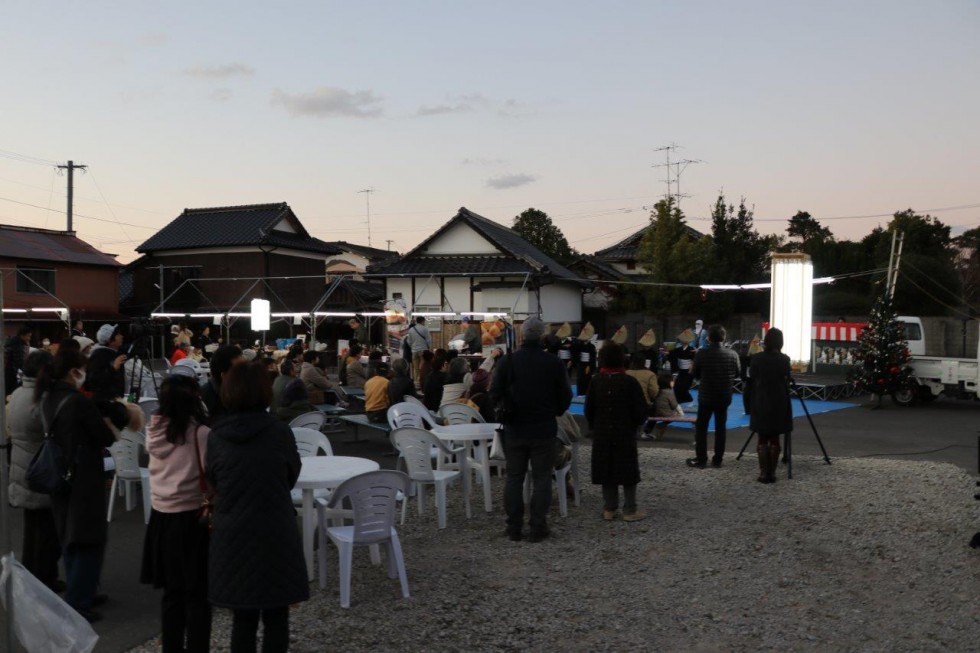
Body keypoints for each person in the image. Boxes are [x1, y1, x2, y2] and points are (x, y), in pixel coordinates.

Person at [206, 362, 308, 652]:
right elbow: (291, 475)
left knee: (243, 617)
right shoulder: (279, 432)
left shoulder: (216, 436)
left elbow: (213, 479)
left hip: (232, 533)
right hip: (275, 528)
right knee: (277, 615)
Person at [37, 349, 126, 622]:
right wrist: (110, 423)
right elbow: (103, 437)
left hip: (59, 473)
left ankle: (83, 591)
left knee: (69, 535)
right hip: (83, 474)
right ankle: (79, 601)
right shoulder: (77, 402)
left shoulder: (47, 397)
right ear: (74, 371)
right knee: (88, 538)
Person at [140, 374, 212, 653]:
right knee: (197, 595)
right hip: (192, 518)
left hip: (161, 518)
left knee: (172, 595)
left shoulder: (154, 430)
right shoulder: (201, 434)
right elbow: (211, 473)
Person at [490, 317, 572, 543]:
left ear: (523, 335)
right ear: (542, 336)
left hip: (514, 427)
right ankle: (538, 526)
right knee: (542, 477)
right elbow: (565, 397)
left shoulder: (507, 362)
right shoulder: (553, 363)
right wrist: (552, 409)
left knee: (514, 477)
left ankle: (514, 526)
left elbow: (494, 393)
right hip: (544, 427)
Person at [7, 351, 63, 592]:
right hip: (41, 469)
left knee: (32, 531)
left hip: (21, 466)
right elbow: (53, 432)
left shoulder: (18, 394)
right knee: (47, 534)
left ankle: (33, 578)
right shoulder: (42, 399)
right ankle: (42, 582)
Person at [586, 343, 648, 522]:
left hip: (602, 432)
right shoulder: (629, 382)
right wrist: (636, 424)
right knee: (627, 469)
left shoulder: (596, 381)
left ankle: (609, 508)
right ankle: (630, 509)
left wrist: (594, 425)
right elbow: (640, 411)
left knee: (606, 468)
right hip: (624, 432)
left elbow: (588, 409)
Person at [687, 324, 740, 469]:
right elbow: (737, 373)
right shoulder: (733, 354)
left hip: (706, 396)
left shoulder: (702, 354)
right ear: (724, 337)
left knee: (701, 428)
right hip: (724, 396)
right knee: (721, 428)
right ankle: (717, 460)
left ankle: (701, 459)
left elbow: (695, 374)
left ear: (709, 338)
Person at [746, 328, 793, 484]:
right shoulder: (784, 359)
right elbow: (787, 376)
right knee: (775, 437)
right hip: (779, 400)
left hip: (761, 399)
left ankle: (763, 473)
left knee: (762, 436)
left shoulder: (757, 358)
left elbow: (752, 377)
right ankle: (772, 473)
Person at [201, 344, 243, 425]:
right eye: (239, 370)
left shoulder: (237, 390)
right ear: (224, 375)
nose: (244, 373)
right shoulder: (208, 398)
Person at [86, 323, 127, 401]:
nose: (121, 336)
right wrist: (113, 368)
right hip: (105, 404)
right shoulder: (99, 355)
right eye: (118, 335)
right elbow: (93, 381)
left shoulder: (112, 353)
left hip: (114, 400)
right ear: (110, 340)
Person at [642, 371, 684, 441]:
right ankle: (662, 424)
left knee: (654, 416)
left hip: (656, 412)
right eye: (672, 381)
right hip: (666, 414)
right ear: (670, 383)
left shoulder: (659, 391)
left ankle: (646, 431)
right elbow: (674, 405)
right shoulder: (670, 392)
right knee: (677, 415)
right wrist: (681, 413)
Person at [4, 325, 33, 395]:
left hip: (8, 371)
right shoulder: (17, 345)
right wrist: (28, 371)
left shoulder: (13, 341)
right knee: (11, 391)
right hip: (11, 373)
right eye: (28, 336)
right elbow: (19, 362)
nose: (29, 338)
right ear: (22, 335)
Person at [404, 316, 432, 385]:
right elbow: (429, 340)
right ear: (422, 321)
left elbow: (408, 341)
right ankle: (422, 381)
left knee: (415, 368)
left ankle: (416, 382)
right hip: (423, 350)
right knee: (423, 367)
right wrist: (428, 347)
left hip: (414, 351)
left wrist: (413, 347)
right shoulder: (425, 329)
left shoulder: (411, 330)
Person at [667, 337, 696, 404]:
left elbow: (694, 360)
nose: (685, 341)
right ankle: (679, 400)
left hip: (689, 371)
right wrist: (667, 353)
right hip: (680, 371)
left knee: (685, 387)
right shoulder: (678, 349)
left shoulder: (692, 349)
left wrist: (692, 368)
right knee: (677, 386)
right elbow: (671, 355)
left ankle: (688, 399)